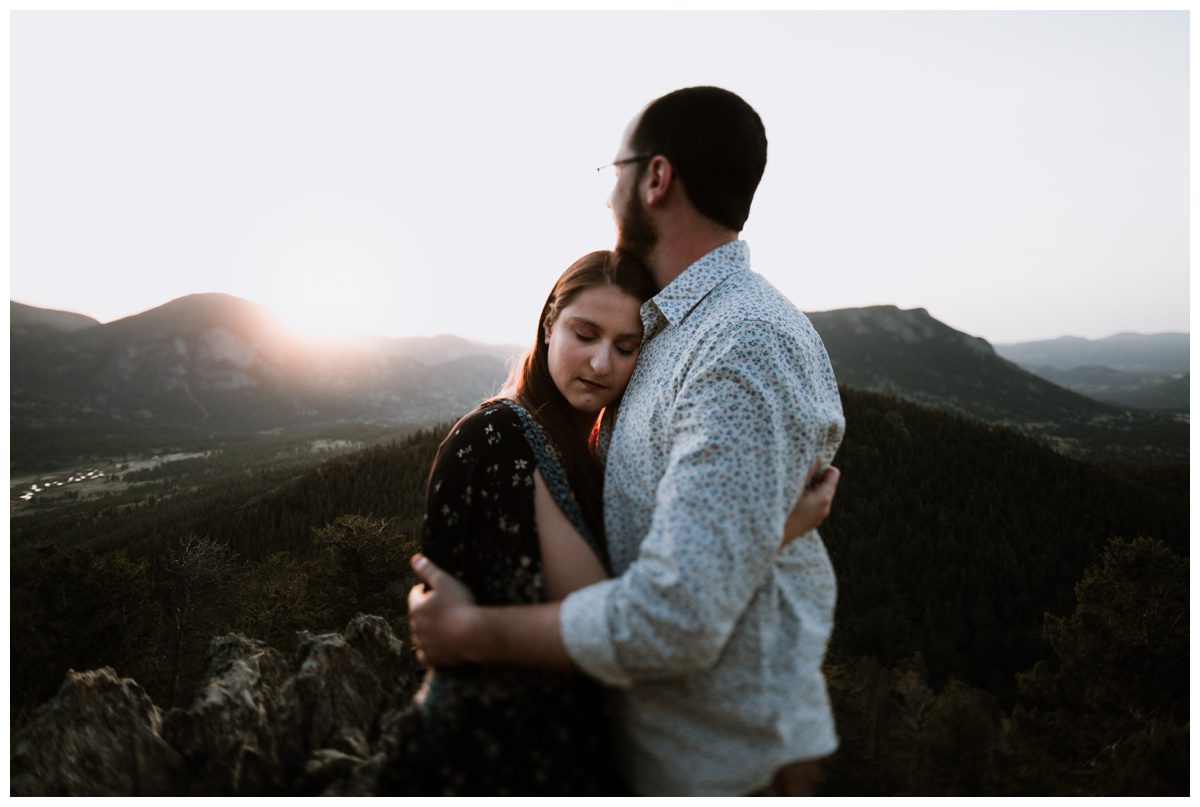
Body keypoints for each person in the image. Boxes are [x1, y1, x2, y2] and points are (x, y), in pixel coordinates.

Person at [408, 86, 847, 796]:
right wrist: (769, 529)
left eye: (614, 172)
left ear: (655, 177)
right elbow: (684, 553)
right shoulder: (673, 331)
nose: (608, 196)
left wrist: (471, 633)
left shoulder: (740, 344)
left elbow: (674, 616)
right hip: (660, 752)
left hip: (728, 765)